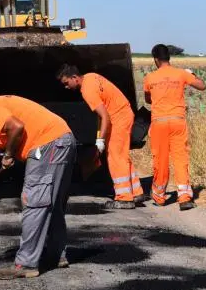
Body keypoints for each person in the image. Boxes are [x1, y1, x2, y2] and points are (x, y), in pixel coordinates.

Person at [0, 93, 76, 280]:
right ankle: (56, 256)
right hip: (60, 140)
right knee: (51, 203)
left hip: (48, 144)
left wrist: (8, 155)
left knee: (34, 202)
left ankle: (26, 264)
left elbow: (17, 126)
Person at [56, 65, 144, 209]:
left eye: (66, 83)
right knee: (121, 155)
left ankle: (124, 198)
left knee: (115, 157)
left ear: (75, 78)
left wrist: (100, 140)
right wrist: (99, 135)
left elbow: (105, 116)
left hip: (118, 117)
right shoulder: (91, 76)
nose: (66, 87)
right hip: (122, 113)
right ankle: (136, 193)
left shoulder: (87, 91)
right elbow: (102, 114)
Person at [143, 44, 206, 210]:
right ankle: (184, 197)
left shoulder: (150, 77)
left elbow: (148, 100)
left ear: (156, 59)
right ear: (169, 57)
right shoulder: (181, 73)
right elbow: (202, 86)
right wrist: (191, 74)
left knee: (160, 159)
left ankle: (159, 197)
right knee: (180, 158)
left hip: (159, 123)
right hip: (178, 121)